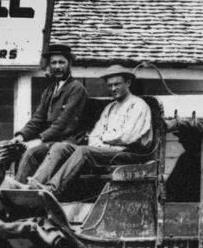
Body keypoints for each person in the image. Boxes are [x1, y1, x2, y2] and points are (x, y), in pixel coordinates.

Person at [19, 64, 152, 197]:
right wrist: (100, 143)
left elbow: (126, 137)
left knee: (83, 151)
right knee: (60, 147)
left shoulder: (138, 105)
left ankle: (51, 189)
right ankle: (34, 186)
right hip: (105, 151)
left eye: (117, 84)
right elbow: (94, 135)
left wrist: (103, 139)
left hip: (126, 155)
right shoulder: (110, 107)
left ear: (128, 83)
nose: (113, 88)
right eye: (110, 85)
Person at [0, 43, 88, 186]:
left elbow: (63, 123)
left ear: (69, 64)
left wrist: (39, 140)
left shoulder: (77, 89)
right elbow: (37, 119)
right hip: (48, 141)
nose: (57, 66)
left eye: (61, 62)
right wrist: (20, 136)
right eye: (54, 63)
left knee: (30, 152)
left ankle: (16, 193)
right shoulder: (49, 91)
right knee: (4, 147)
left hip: (66, 142)